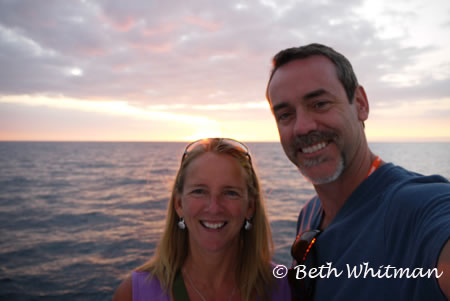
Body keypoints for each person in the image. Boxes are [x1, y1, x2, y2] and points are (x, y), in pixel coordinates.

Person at [265, 43, 450, 300]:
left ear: (360, 104)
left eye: (319, 104)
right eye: (285, 115)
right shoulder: (309, 215)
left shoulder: (418, 208)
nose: (302, 127)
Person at [113, 138, 291, 301]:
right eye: (199, 191)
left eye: (230, 193)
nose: (214, 208)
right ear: (179, 204)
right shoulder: (135, 293)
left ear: (250, 207)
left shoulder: (283, 288)